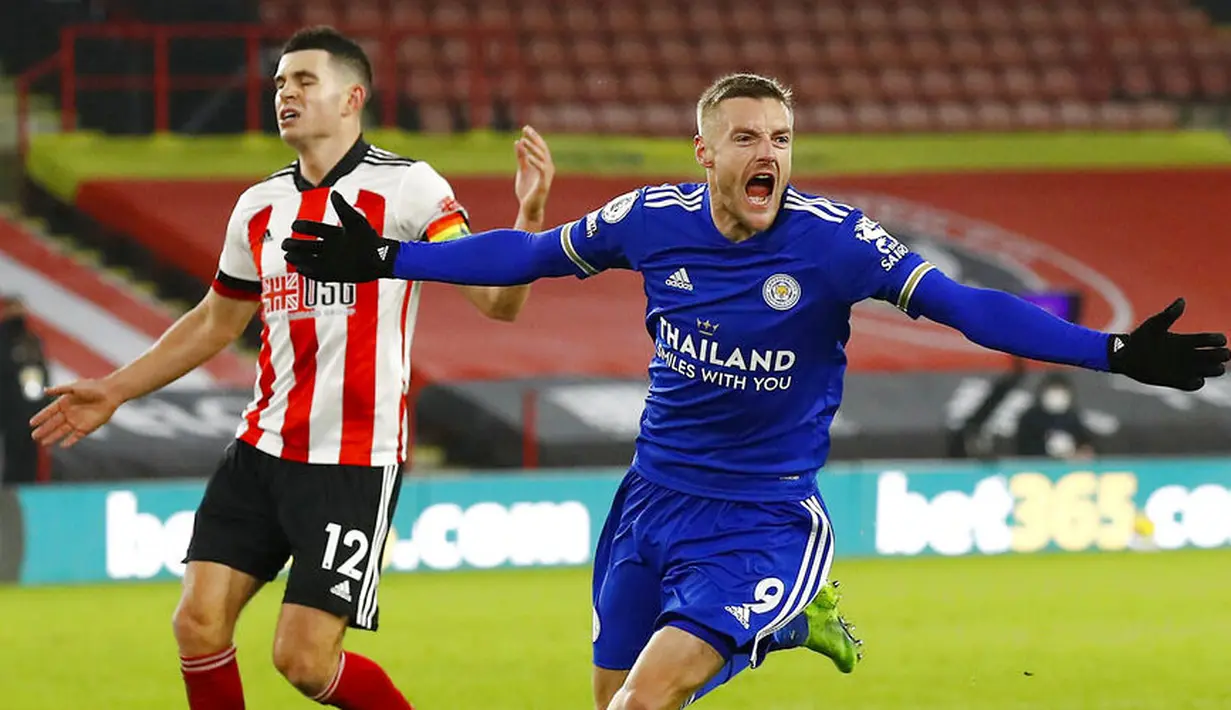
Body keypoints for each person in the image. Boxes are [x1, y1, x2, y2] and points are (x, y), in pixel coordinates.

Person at [283, 73, 1230, 710]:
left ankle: (779, 613)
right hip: (649, 503)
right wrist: (384, 256)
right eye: (743, 138)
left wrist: (1109, 351)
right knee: (611, 695)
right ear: (705, 155)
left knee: (640, 704)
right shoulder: (648, 221)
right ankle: (796, 623)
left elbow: (966, 306)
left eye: (779, 138)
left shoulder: (832, 241)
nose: (765, 152)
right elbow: (527, 254)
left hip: (761, 517)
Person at [29, 26, 556, 710]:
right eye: (280, 83)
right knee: (196, 622)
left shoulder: (407, 188)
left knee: (303, 662)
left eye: (304, 81)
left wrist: (529, 212)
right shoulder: (258, 206)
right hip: (262, 446)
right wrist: (115, 389)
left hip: (353, 461)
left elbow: (496, 303)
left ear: (351, 97)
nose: (286, 93)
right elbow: (217, 320)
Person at [0, 295, 49, 485]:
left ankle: (25, 493)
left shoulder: (31, 341)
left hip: (31, 414)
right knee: (9, 460)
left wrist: (44, 403)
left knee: (28, 460)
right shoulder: (3, 341)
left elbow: (41, 371)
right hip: (7, 414)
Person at [1016, 371, 1097, 459]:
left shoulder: (1072, 417)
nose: (1057, 396)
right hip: (1038, 466)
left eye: (1061, 391)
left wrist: (1079, 453)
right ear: (1042, 393)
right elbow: (1024, 449)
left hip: (1069, 467)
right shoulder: (1030, 418)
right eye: (1053, 390)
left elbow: (1086, 444)